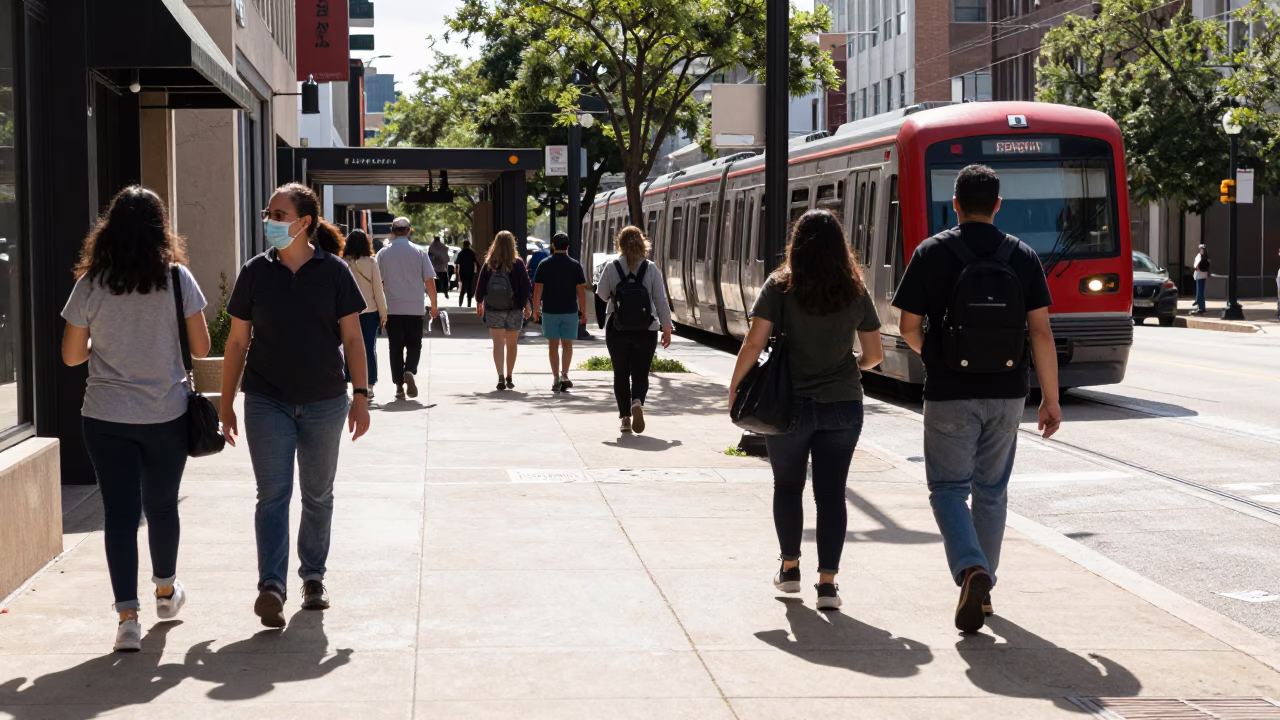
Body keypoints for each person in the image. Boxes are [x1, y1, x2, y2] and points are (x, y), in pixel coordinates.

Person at [891, 164, 1061, 633]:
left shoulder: (932, 252)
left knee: (948, 489)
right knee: (991, 491)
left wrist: (941, 357)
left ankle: (971, 569)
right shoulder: (1022, 255)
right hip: (1007, 392)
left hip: (949, 392)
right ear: (999, 205)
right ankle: (984, 591)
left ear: (956, 204)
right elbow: (1041, 333)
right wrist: (1050, 398)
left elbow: (908, 327)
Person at [60, 186, 211, 652]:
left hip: (105, 417)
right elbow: (203, 349)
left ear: (108, 230)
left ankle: (128, 618)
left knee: (120, 515)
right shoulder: (177, 279)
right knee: (162, 507)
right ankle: (165, 592)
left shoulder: (90, 283)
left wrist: (106, 347)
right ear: (160, 229)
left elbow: (71, 357)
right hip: (165, 414)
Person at [220, 183, 372, 628]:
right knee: (272, 496)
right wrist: (226, 403)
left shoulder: (335, 273)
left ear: (305, 222)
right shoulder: (255, 272)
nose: (271, 221)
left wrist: (360, 396)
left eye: (279, 214)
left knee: (318, 495)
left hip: (326, 401)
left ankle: (313, 577)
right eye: (269, 213)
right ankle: (271, 586)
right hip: (267, 400)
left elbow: (352, 339)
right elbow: (235, 342)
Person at [728, 210, 883, 611]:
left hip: (787, 406)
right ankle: (828, 585)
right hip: (843, 405)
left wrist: (734, 391)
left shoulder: (779, 286)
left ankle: (791, 568)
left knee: (787, 487)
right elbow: (875, 355)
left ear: (796, 244)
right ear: (840, 247)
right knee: (831, 494)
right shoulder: (854, 289)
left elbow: (753, 345)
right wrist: (849, 365)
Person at [596, 226, 673, 433]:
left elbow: (602, 294)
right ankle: (637, 400)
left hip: (617, 328)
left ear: (619, 243)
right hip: (646, 328)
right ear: (642, 243)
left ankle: (625, 419)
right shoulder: (651, 268)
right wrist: (667, 328)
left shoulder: (612, 266)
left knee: (620, 373)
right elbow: (661, 300)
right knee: (640, 373)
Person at [376, 217, 439, 400]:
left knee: (394, 347)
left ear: (393, 231)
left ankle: (398, 386)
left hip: (392, 308)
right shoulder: (419, 252)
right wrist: (434, 305)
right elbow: (429, 281)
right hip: (414, 307)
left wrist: (379, 309)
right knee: (414, 344)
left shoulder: (383, 254)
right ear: (409, 231)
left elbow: (378, 283)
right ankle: (410, 370)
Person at [476, 230, 532, 390]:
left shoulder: (489, 263)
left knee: (498, 344)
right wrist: (527, 304)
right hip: (515, 308)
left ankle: (500, 376)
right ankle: (509, 376)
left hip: (494, 308)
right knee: (512, 345)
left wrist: (479, 302)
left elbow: (480, 285)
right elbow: (525, 286)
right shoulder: (518, 263)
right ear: (512, 243)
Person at [532, 232, 588, 392]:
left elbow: (537, 290)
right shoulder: (575, 265)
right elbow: (581, 292)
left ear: (553, 246)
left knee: (553, 344)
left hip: (550, 311)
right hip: (570, 311)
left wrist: (536, 310)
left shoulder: (544, 264)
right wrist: (584, 312)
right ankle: (565, 374)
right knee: (567, 344)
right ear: (568, 247)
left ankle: (555, 377)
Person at [342, 229, 388, 400]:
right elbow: (378, 289)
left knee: (347, 348)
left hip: (347, 313)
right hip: (370, 312)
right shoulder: (371, 262)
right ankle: (368, 386)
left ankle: (349, 383)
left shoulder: (341, 262)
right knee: (369, 348)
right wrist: (383, 313)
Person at [455, 240, 479, 308]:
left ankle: (460, 303)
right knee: (469, 287)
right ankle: (469, 304)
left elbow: (457, 264)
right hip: (470, 272)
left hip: (462, 272)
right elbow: (477, 263)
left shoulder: (461, 253)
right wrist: (477, 272)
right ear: (469, 245)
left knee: (463, 287)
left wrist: (457, 274)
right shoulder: (472, 252)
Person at [429, 234, 451, 299]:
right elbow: (446, 258)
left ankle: (434, 293)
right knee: (444, 281)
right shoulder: (442, 247)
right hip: (441, 268)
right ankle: (445, 292)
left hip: (435, 268)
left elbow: (430, 258)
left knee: (435, 282)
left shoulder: (432, 247)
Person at [1192, 244, 1209, 314]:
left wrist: (1198, 267)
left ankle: (1200, 307)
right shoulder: (1200, 256)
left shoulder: (1204, 257)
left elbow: (1201, 266)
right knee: (1199, 291)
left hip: (1201, 275)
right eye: (1201, 249)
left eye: (1203, 249)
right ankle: (1201, 306)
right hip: (1199, 275)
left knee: (1200, 292)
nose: (1202, 250)